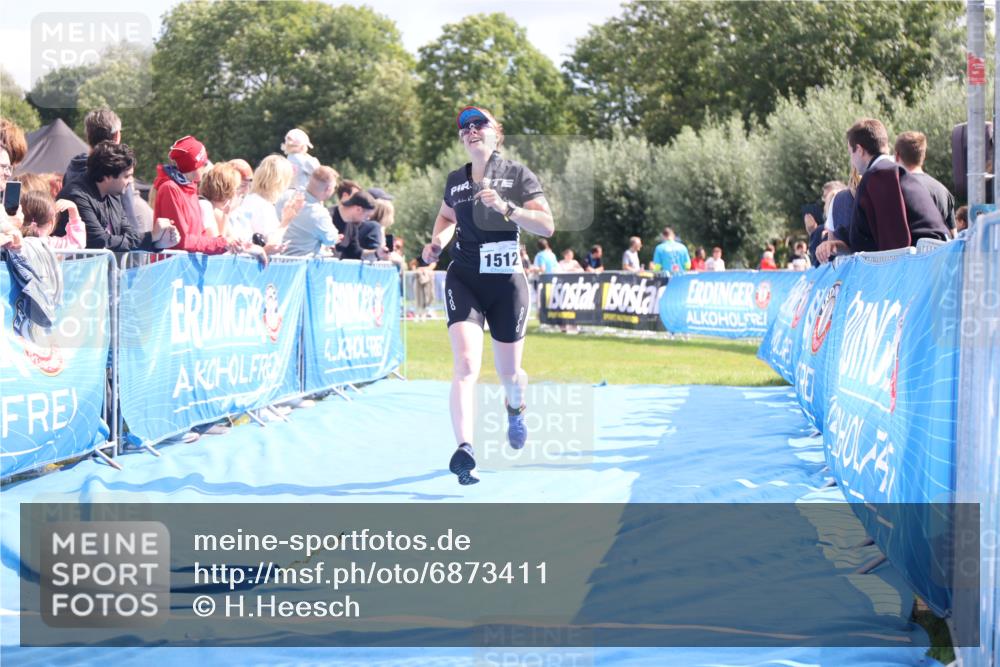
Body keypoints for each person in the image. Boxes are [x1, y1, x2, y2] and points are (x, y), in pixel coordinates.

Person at [421, 105, 554, 485]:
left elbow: (547, 225)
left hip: (506, 284)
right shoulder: (455, 181)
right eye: (464, 126)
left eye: (479, 123)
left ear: (497, 133)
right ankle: (465, 449)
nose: (470, 129)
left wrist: (507, 208)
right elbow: (447, 218)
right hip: (464, 278)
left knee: (510, 373)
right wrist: (437, 243)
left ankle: (516, 408)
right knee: (465, 365)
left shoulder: (517, 175)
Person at [816, 118, 949, 263]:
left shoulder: (880, 175)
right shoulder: (893, 172)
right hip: (932, 259)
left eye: (851, 153)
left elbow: (895, 244)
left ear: (859, 150)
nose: (852, 161)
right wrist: (838, 245)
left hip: (923, 264)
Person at [62, 142, 178, 252]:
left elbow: (129, 233)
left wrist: (158, 243)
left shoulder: (113, 193)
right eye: (127, 176)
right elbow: (100, 241)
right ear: (107, 176)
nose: (131, 181)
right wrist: (152, 236)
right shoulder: (77, 196)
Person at [154, 135, 232, 255]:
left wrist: (223, 243)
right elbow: (181, 240)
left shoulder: (190, 187)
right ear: (193, 166)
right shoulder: (170, 189)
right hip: (171, 267)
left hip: (186, 267)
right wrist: (220, 244)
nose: (206, 167)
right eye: (204, 163)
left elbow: (200, 234)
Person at [894, 131, 956, 235]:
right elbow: (953, 237)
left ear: (897, 156)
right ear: (923, 156)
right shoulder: (943, 191)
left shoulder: (895, 189)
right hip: (939, 250)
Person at [282, 166, 342, 256]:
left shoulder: (286, 196)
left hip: (274, 261)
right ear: (328, 189)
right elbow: (331, 239)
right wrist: (336, 237)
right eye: (334, 187)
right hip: (300, 265)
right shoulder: (319, 214)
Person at [19, 191, 86, 249]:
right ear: (51, 222)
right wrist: (73, 211)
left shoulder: (13, 242)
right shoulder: (51, 244)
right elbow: (77, 242)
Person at [198, 163, 242, 238]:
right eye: (236, 188)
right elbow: (217, 244)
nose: (236, 192)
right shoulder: (205, 206)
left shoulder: (212, 208)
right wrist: (226, 214)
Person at [334, 191, 379, 260]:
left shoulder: (353, 225)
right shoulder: (327, 217)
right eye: (367, 216)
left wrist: (377, 253)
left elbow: (356, 252)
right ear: (358, 209)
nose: (367, 219)